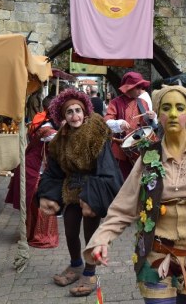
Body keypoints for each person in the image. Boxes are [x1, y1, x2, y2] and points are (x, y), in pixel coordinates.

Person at [83, 84, 186, 303]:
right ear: (158, 115)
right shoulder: (149, 155)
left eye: (180, 108)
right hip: (155, 256)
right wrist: (102, 239)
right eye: (166, 108)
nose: (172, 114)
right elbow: (123, 207)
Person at [36, 88, 123, 297]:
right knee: (70, 230)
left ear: (84, 113)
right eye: (69, 112)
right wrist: (47, 194)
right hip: (71, 189)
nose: (74, 115)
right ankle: (75, 265)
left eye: (78, 111)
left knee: (91, 234)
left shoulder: (96, 135)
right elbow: (54, 170)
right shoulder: (60, 140)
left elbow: (107, 167)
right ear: (63, 116)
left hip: (92, 189)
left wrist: (94, 195)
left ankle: (90, 271)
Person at [5, 95, 59, 248]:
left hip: (36, 169)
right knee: (40, 205)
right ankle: (39, 236)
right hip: (34, 171)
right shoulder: (46, 127)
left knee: (39, 205)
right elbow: (57, 138)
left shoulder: (43, 121)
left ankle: (34, 234)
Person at [105, 72, 157, 179]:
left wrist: (152, 117)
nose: (140, 90)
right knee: (123, 180)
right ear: (129, 88)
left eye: (141, 87)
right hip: (120, 151)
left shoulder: (143, 102)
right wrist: (119, 123)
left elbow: (148, 125)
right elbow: (106, 122)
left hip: (140, 148)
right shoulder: (115, 102)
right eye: (137, 87)